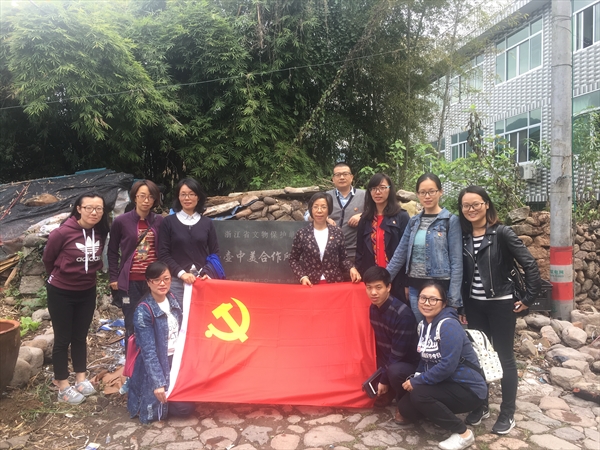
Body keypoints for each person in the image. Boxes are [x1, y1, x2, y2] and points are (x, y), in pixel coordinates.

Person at [458, 186, 541, 434]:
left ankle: (507, 413)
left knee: (504, 357)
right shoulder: (462, 236)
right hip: (474, 305)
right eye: (466, 205)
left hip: (501, 305)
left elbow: (529, 264)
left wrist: (528, 298)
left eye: (476, 204)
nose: (471, 209)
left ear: (486, 204)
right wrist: (462, 304)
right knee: (478, 356)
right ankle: (481, 405)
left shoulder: (502, 233)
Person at [397, 281, 487, 450]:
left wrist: (417, 382)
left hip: (468, 388)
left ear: (444, 303)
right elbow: (425, 359)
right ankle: (436, 412)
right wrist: (417, 378)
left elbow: (447, 366)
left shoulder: (449, 325)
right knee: (406, 408)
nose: (426, 303)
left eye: (433, 299)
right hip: (445, 383)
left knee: (419, 395)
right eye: (423, 298)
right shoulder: (423, 325)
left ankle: (463, 433)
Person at [42, 192, 110, 404]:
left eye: (98, 208)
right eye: (89, 207)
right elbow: (48, 259)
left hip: (87, 290)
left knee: (80, 336)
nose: (94, 212)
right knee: (63, 338)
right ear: (78, 209)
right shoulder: (62, 233)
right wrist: (61, 276)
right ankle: (63, 385)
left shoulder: (100, 231)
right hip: (61, 291)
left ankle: (81, 379)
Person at [386, 173, 462, 323]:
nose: (427, 196)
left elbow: (456, 262)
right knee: (421, 329)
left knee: (440, 329)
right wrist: (383, 280)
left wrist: (453, 300)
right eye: (422, 192)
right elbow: (400, 254)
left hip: (440, 289)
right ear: (417, 194)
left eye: (431, 191)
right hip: (416, 288)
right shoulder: (413, 222)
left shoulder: (450, 221)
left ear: (440, 192)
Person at [127, 261, 195, 424]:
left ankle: (173, 396)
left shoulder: (172, 298)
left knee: (195, 396)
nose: (162, 283)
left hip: (177, 360)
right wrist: (158, 383)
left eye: (166, 278)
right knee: (184, 409)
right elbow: (148, 352)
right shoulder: (143, 311)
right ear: (148, 282)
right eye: (156, 280)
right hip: (159, 363)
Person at [108, 179, 163, 340]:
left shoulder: (160, 221)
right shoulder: (121, 221)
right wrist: (114, 277)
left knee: (154, 320)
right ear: (134, 197)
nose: (146, 200)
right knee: (131, 321)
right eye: (142, 196)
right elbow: (112, 251)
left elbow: (165, 249)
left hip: (153, 280)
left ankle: (151, 356)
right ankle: (131, 355)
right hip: (130, 281)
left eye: (151, 197)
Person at [363, 266, 419, 417]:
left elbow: (397, 355)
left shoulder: (402, 315)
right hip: (391, 358)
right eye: (369, 288)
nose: (373, 292)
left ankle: (403, 399)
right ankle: (390, 390)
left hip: (409, 364)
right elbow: (382, 347)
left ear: (388, 287)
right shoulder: (373, 309)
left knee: (395, 370)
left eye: (378, 287)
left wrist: (383, 380)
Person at [158, 178, 219, 305]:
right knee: (178, 314)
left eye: (192, 194)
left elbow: (215, 252)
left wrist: (207, 272)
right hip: (176, 281)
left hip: (201, 280)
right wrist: (182, 274)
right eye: (183, 194)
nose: (187, 198)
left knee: (201, 314)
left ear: (198, 197)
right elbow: (163, 254)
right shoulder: (168, 222)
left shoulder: (207, 223)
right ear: (178, 197)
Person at [356, 173, 410, 303]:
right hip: (372, 279)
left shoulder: (401, 217)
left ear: (390, 189)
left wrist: (407, 282)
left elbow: (408, 253)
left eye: (382, 188)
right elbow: (360, 251)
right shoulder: (365, 219)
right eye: (374, 188)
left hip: (396, 279)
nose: (377, 192)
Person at [290, 192, 361, 285]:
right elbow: (293, 259)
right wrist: (302, 276)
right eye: (315, 207)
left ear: (329, 210)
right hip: (310, 284)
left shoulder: (337, 232)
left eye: (323, 207)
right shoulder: (302, 234)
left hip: (334, 283)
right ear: (311, 209)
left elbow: (343, 258)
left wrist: (352, 268)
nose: (319, 211)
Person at [304, 163, 365, 261]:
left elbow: (376, 211)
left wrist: (362, 215)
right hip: (329, 252)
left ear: (351, 177)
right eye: (338, 175)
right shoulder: (325, 196)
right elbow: (307, 215)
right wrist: (325, 218)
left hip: (354, 253)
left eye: (345, 174)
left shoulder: (364, 195)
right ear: (333, 179)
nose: (342, 177)